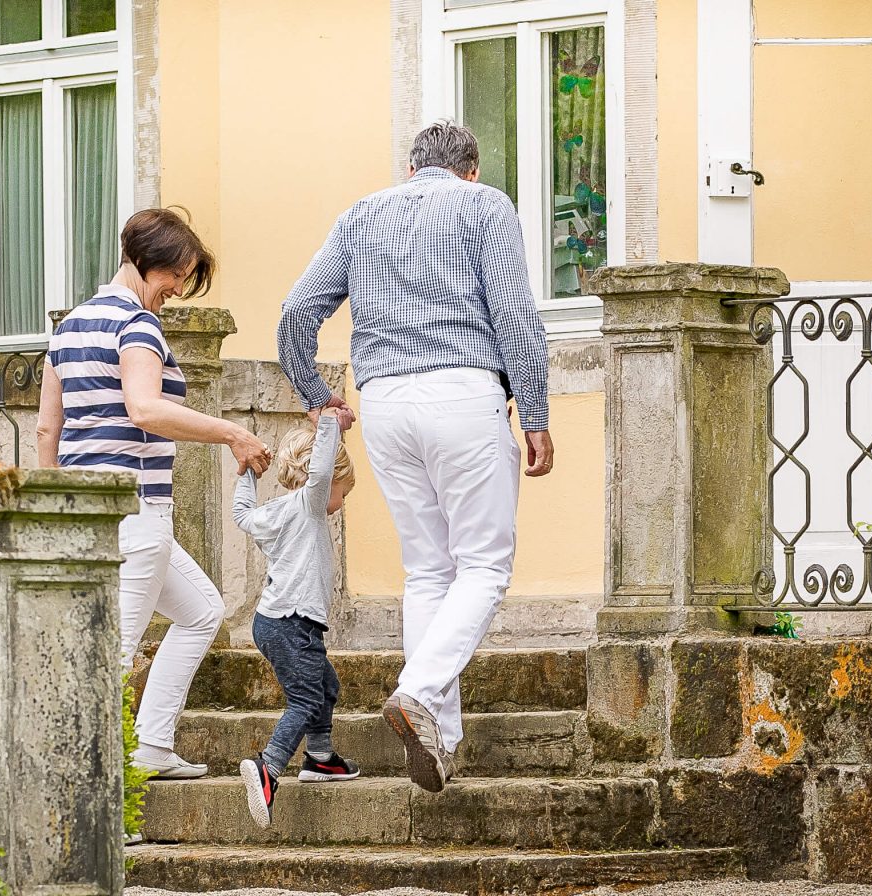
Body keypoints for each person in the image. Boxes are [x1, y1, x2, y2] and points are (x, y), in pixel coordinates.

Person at [275, 121, 555, 794]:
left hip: (386, 405)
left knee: (429, 570)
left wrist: (318, 398)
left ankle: (442, 740)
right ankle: (419, 692)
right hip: (462, 390)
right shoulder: (484, 205)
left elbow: (294, 314)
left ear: (408, 169)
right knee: (485, 565)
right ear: (472, 170)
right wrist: (537, 413)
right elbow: (516, 315)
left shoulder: (359, 215)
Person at [36, 207, 272, 782]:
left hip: (91, 513)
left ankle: (152, 747)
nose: (178, 292)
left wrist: (59, 508)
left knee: (202, 612)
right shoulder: (137, 325)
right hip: (138, 512)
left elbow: (47, 429)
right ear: (147, 263)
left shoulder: (68, 328)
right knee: (111, 654)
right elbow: (145, 408)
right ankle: (90, 793)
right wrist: (232, 432)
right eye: (177, 277)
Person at [232, 413, 364, 828]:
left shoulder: (275, 512)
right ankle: (268, 768)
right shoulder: (309, 505)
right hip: (293, 624)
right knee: (306, 700)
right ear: (327, 481)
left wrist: (247, 474)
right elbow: (321, 469)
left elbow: (241, 514)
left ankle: (321, 758)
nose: (341, 498)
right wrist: (331, 426)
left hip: (271, 623)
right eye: (342, 489)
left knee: (326, 684)